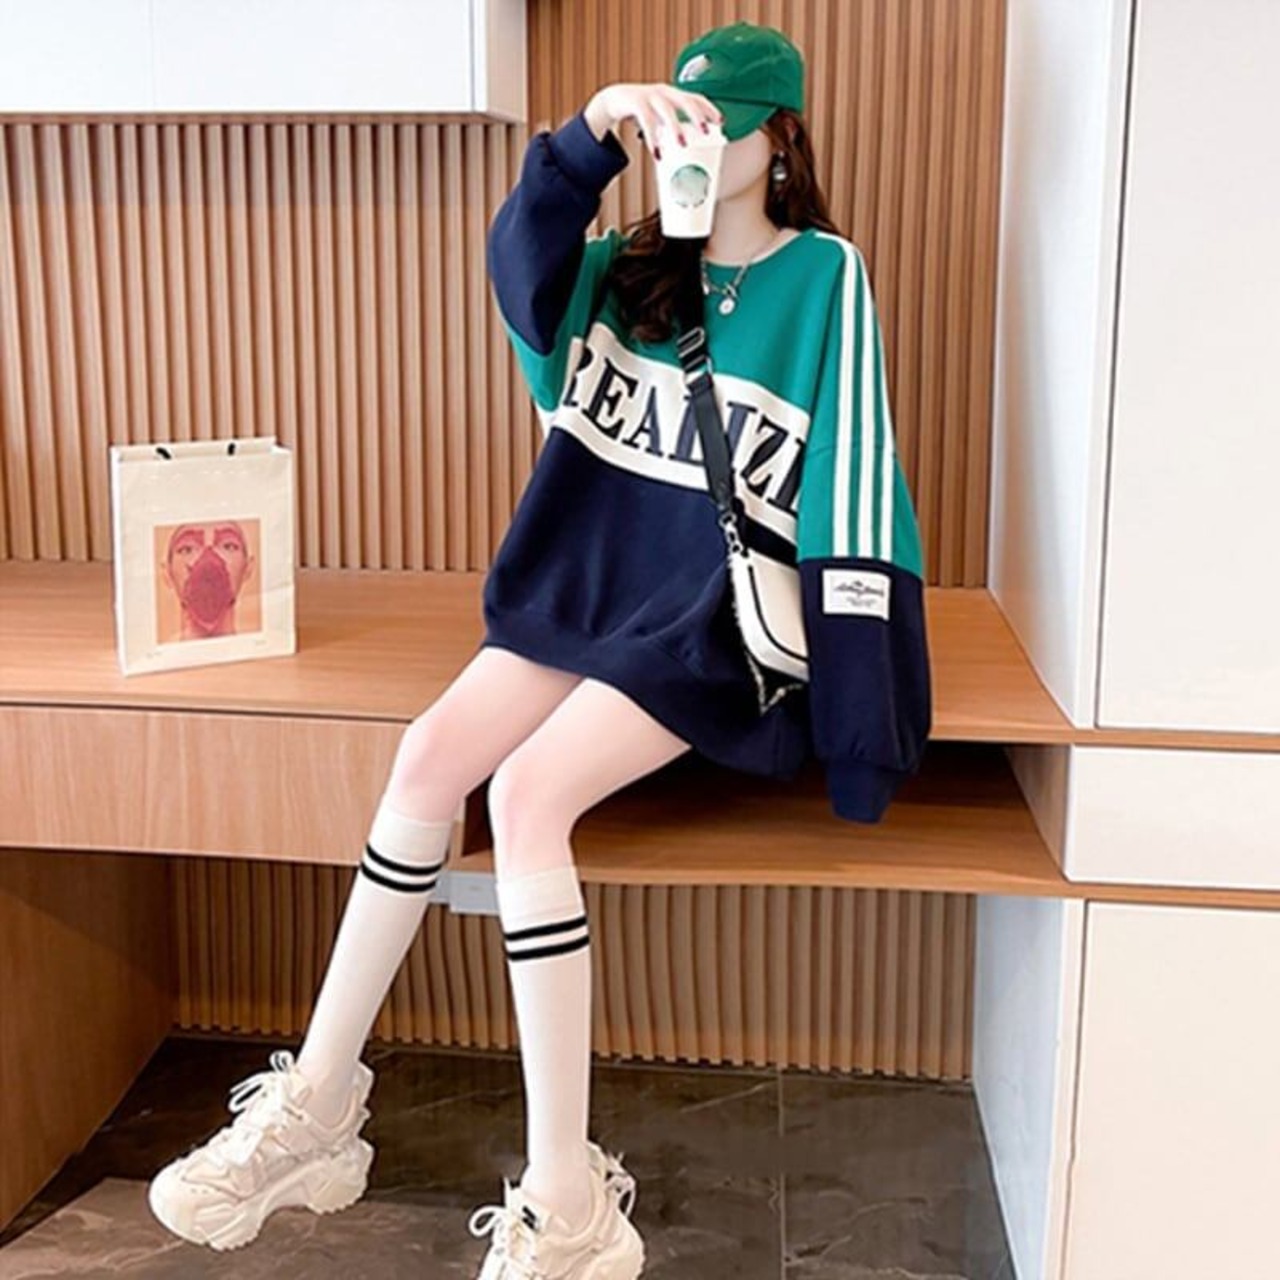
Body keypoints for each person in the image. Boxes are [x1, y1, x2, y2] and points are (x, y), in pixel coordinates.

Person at [146, 19, 931, 1279]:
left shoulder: (824, 275)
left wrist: (862, 706)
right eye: (675, 130)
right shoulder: (627, 268)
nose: (692, 150)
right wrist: (587, 137)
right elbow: (519, 270)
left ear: (779, 142)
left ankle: (566, 1198)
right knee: (425, 757)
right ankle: (317, 1107)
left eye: (719, 131)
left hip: (704, 618)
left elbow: (853, 473)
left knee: (524, 796)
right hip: (581, 589)